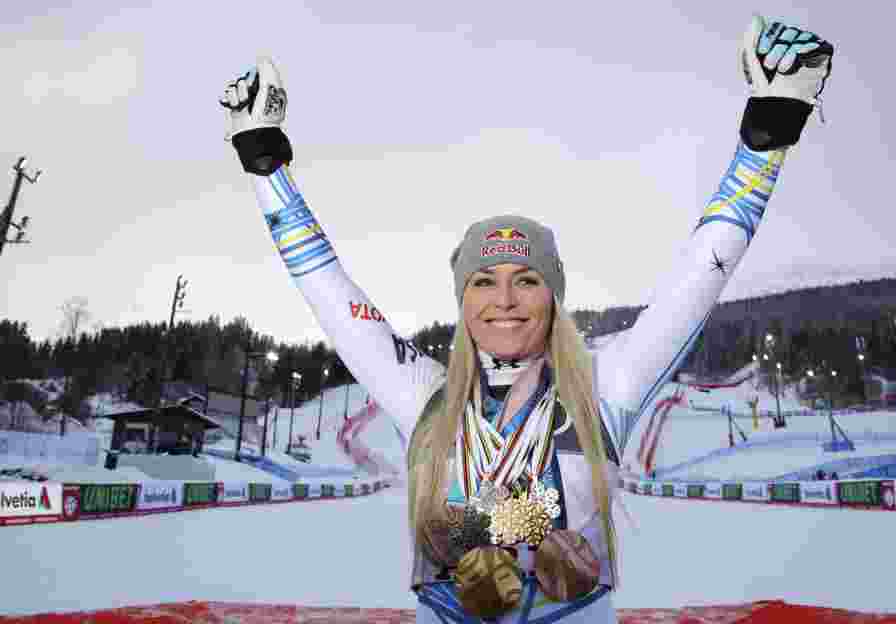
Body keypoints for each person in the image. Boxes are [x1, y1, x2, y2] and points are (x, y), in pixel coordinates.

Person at [219, 14, 834, 624]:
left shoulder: (603, 386)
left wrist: (767, 137)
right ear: (462, 302)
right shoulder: (425, 397)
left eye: (527, 280)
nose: (504, 299)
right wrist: (266, 165)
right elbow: (329, 291)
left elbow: (700, 275)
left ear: (553, 298)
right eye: (483, 282)